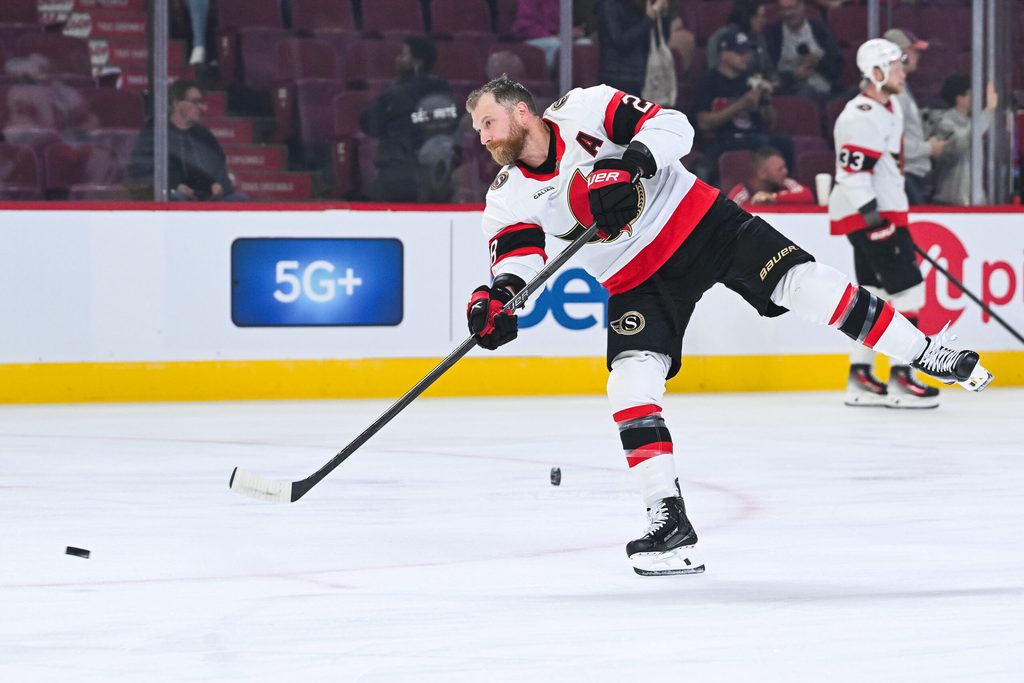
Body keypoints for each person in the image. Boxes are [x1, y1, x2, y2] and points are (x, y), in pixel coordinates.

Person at [463, 75, 994, 576]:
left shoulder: (585, 107)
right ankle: (669, 522)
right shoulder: (507, 194)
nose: (482, 138)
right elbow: (517, 260)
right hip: (637, 280)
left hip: (703, 222)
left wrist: (634, 163)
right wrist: (499, 299)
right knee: (628, 382)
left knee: (809, 284)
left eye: (488, 123)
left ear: (523, 111)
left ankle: (927, 353)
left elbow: (674, 125)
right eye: (478, 129)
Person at [828, 39, 945, 408]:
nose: (903, 73)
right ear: (875, 73)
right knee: (909, 291)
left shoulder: (887, 105)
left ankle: (860, 377)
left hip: (875, 212)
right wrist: (875, 220)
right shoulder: (860, 115)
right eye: (895, 67)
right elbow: (852, 175)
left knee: (875, 295)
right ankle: (901, 378)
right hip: (870, 214)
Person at [359, 36, 459, 202]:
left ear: (417, 63)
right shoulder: (445, 91)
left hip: (397, 176)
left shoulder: (396, 94)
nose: (397, 60)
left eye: (403, 55)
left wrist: (397, 84)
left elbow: (368, 122)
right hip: (437, 178)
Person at [694, 28, 795, 176]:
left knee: (783, 142)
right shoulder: (709, 80)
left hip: (753, 135)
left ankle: (785, 186)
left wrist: (765, 100)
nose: (745, 57)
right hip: (723, 138)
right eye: (739, 53)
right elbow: (703, 122)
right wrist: (741, 105)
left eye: (746, 52)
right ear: (724, 55)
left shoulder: (751, 79)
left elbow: (770, 122)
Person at [128, 80, 242, 201]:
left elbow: (220, 170)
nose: (200, 107)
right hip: (170, 195)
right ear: (176, 103)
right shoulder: (154, 133)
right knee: (177, 197)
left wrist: (219, 185)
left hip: (204, 196)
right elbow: (141, 172)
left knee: (240, 199)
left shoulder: (204, 136)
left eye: (200, 102)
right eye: (194, 102)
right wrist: (171, 186)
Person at [883, 28, 942, 205]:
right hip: (903, 176)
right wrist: (928, 148)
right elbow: (890, 142)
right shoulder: (892, 93)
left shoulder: (902, 89)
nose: (918, 56)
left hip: (911, 175)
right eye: (913, 51)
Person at [595, 0, 694, 97]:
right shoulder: (608, 4)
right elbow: (621, 41)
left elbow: (661, 39)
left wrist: (662, 15)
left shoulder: (643, 4)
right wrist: (649, 18)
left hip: (646, 75)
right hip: (618, 76)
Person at [930, 74, 999, 206]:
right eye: (969, 94)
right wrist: (988, 111)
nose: (974, 98)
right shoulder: (944, 123)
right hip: (950, 199)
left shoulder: (971, 123)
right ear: (959, 98)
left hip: (971, 199)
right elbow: (959, 145)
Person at [764, 0, 842, 101]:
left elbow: (837, 67)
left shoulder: (819, 29)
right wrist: (793, 76)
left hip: (826, 91)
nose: (788, 14)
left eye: (792, 8)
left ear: (802, 7)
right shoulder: (772, 35)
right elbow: (768, 73)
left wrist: (818, 61)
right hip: (793, 93)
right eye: (784, 9)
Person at [706, 0, 774, 81]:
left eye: (764, 16)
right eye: (759, 16)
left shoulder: (759, 37)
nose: (763, 21)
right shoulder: (721, 37)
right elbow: (717, 74)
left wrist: (775, 83)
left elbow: (767, 69)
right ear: (746, 16)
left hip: (757, 86)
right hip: (730, 89)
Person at [727, 146, 813, 205]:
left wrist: (772, 198)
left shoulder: (785, 183)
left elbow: (807, 195)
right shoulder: (741, 193)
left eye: (785, 167)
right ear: (762, 174)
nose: (785, 172)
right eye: (779, 169)